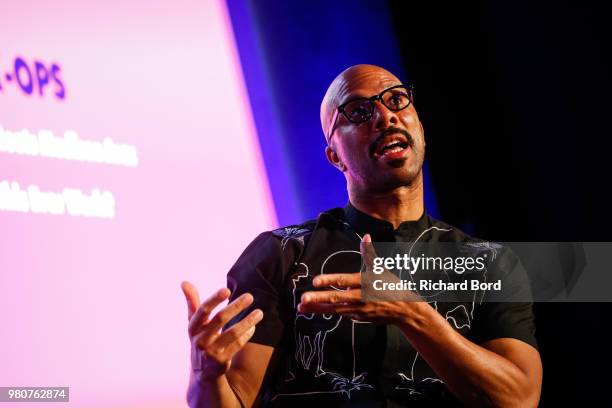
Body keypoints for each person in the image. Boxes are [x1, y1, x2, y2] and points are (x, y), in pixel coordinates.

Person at [181, 64, 543, 407]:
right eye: (357, 111)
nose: (385, 116)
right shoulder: (280, 254)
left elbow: (518, 398)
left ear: (420, 128)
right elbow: (235, 398)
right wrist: (207, 376)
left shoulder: (488, 263)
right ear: (335, 157)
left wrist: (414, 315)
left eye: (397, 99)